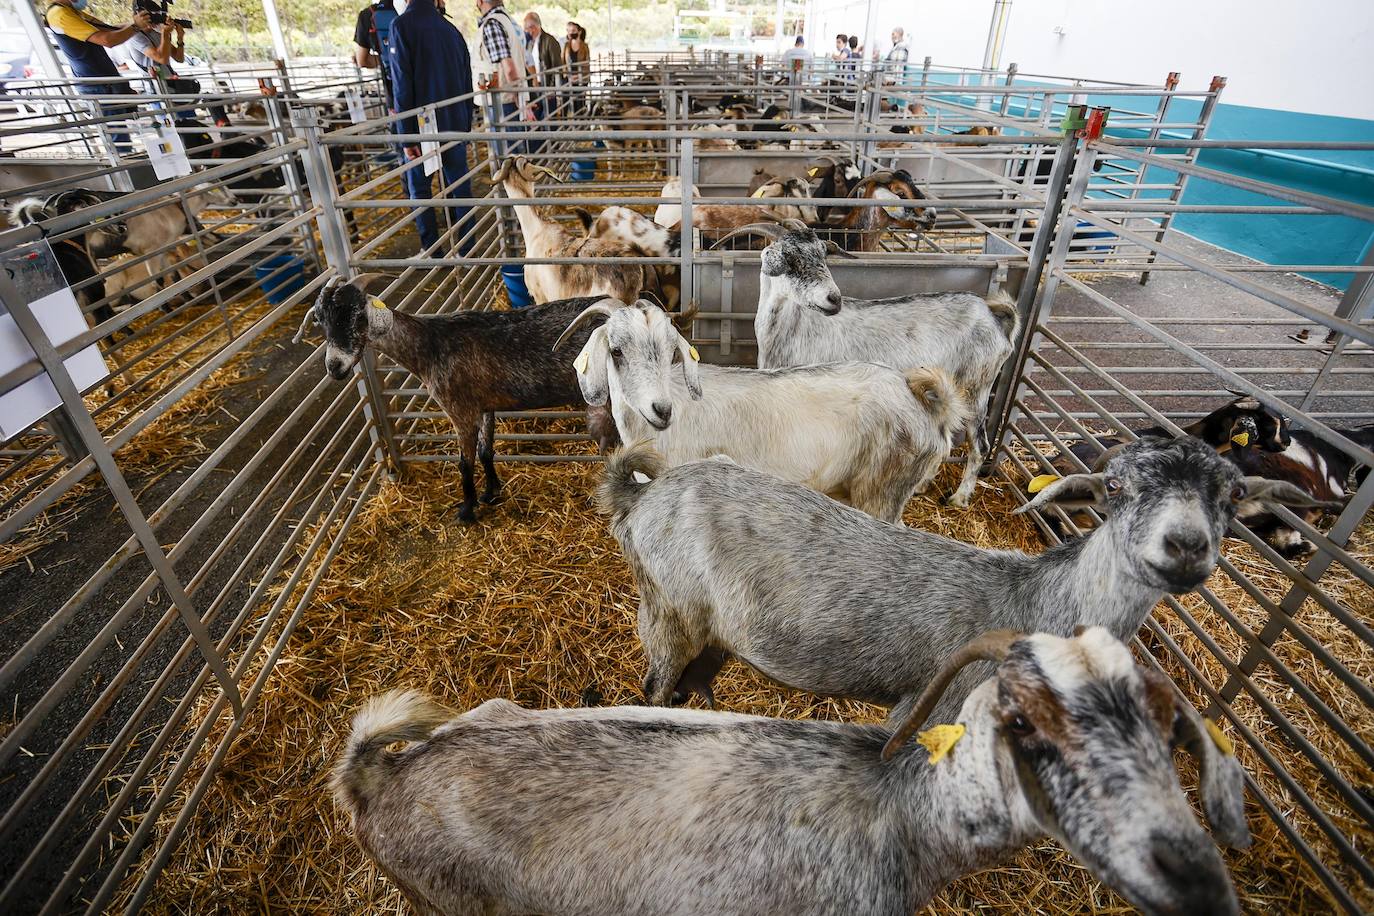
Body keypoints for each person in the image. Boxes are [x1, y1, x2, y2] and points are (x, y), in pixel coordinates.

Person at [389, 0, 476, 254]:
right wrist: (465, 125)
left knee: (421, 189)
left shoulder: (401, 26)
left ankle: (432, 249)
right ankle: (467, 247)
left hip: (421, 127)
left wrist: (407, 138)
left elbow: (402, 86)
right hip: (454, 123)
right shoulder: (451, 31)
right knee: (460, 187)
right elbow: (466, 83)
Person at [43, 0, 148, 148]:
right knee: (118, 140)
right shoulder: (60, 14)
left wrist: (137, 23)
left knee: (121, 133)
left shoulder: (72, 11)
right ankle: (124, 168)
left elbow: (109, 29)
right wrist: (136, 26)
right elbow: (107, 40)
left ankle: (127, 163)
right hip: (97, 85)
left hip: (107, 82)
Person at [119, 10, 229, 125]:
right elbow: (162, 58)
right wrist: (165, 33)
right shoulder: (135, 37)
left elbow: (179, 58)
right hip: (157, 90)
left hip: (175, 88)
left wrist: (180, 38)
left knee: (190, 124)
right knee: (170, 129)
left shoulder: (157, 34)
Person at [475, 0, 534, 155]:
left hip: (502, 102)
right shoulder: (508, 21)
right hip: (509, 100)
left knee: (507, 157)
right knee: (515, 153)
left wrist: (522, 104)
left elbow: (509, 69)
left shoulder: (492, 24)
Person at [353, 0, 399, 108]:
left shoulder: (369, 15)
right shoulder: (424, 9)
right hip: (430, 92)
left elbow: (362, 61)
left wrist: (391, 60)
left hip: (395, 93)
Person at [523, 11, 560, 120]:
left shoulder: (550, 41)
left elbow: (556, 66)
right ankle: (541, 137)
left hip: (547, 85)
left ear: (535, 27)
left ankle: (551, 136)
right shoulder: (528, 43)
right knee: (537, 116)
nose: (527, 31)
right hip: (534, 86)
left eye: (528, 28)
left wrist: (552, 88)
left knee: (549, 116)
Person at [563, 21, 589, 113]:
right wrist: (568, 75)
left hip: (581, 78)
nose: (571, 33)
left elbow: (587, 64)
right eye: (569, 30)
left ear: (579, 31)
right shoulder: (566, 46)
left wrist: (579, 75)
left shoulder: (584, 46)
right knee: (570, 102)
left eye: (573, 30)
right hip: (569, 79)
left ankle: (581, 122)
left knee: (580, 102)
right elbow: (563, 62)